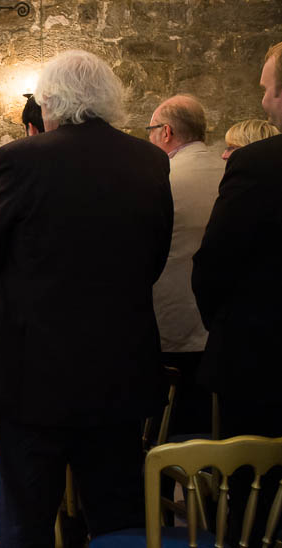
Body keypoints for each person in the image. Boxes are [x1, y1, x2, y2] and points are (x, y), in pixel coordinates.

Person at [0, 50, 173, 547]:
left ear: (49, 102)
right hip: (120, 364)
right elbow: (154, 257)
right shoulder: (149, 158)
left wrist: (27, 306)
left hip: (33, 369)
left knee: (27, 517)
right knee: (116, 513)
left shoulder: (21, 158)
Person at [192, 41, 282, 547]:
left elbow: (213, 265)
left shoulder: (259, 165)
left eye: (269, 90)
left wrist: (223, 325)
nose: (265, 101)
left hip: (260, 357)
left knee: (252, 490)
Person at [147, 94, 223, 436]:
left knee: (164, 427)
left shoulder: (162, 177)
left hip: (169, 321)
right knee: (205, 424)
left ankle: (158, 484)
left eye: (150, 130)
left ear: (165, 132)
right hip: (215, 322)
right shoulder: (228, 171)